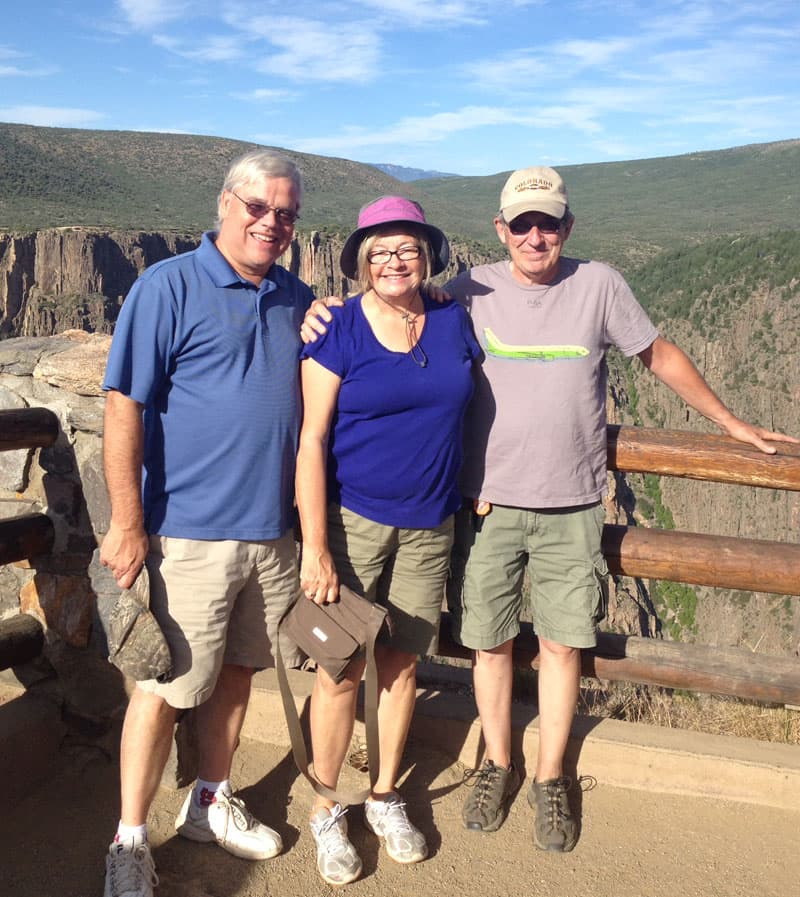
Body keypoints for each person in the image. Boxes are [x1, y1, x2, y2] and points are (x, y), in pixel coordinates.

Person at [300, 166, 797, 854]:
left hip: (562, 505)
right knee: (476, 646)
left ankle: (548, 774)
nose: (536, 235)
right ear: (501, 231)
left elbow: (658, 354)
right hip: (483, 504)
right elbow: (347, 372)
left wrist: (732, 423)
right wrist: (317, 306)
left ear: (567, 226)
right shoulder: (466, 293)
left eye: (549, 222)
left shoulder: (573, 288)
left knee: (552, 645)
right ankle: (481, 767)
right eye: (522, 223)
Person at [100, 150, 313, 897]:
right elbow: (123, 405)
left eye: (286, 212)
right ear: (226, 204)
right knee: (161, 687)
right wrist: (128, 521)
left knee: (237, 675)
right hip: (188, 531)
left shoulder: (298, 296)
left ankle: (209, 801)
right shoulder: (168, 287)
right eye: (258, 207)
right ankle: (129, 838)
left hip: (272, 534)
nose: (272, 223)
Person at [295, 196, 480, 885]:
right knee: (338, 669)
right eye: (379, 251)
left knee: (402, 667)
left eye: (405, 248)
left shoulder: (454, 319)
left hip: (431, 522)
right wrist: (316, 545)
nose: (393, 260)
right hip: (353, 524)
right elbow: (311, 441)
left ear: (426, 255)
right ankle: (324, 806)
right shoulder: (337, 328)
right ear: (360, 262)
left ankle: (383, 796)